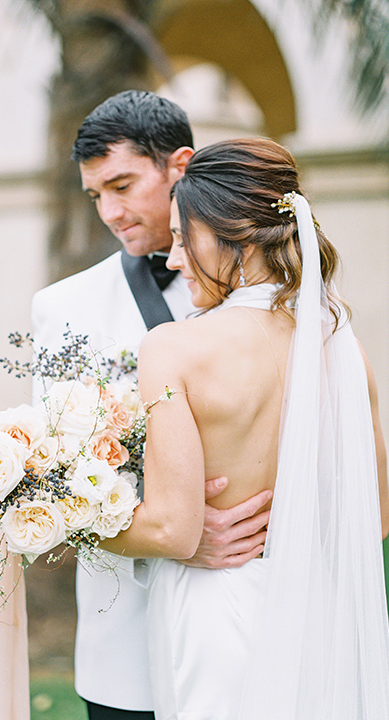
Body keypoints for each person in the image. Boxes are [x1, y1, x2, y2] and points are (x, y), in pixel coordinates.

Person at [100, 138, 389, 719]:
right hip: (316, 618)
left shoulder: (173, 347)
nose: (176, 259)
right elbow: (376, 514)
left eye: (183, 238)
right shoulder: (342, 346)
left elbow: (174, 531)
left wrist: (78, 524)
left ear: (232, 230)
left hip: (216, 615)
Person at [31, 91, 271, 720]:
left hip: (253, 624)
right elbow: (50, 485)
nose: (110, 212)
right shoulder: (61, 308)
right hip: (122, 645)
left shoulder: (275, 306)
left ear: (181, 167)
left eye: (122, 185)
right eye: (94, 196)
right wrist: (169, 536)